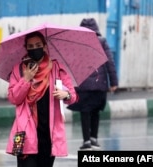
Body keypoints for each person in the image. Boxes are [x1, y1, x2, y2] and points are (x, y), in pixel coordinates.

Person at [6, 31, 77, 167]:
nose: (35, 49)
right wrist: (26, 79)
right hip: (24, 132)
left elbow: (73, 97)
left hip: (48, 135)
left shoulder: (57, 69)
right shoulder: (18, 70)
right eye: (30, 46)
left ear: (45, 46)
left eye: (38, 45)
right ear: (26, 48)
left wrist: (65, 94)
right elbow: (14, 98)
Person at [68, 18, 118, 151]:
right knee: (95, 111)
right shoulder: (101, 42)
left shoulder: (77, 43)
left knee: (85, 111)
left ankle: (86, 141)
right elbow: (110, 62)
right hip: (99, 84)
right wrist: (113, 82)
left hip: (83, 85)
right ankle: (94, 138)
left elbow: (71, 64)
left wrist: (69, 83)